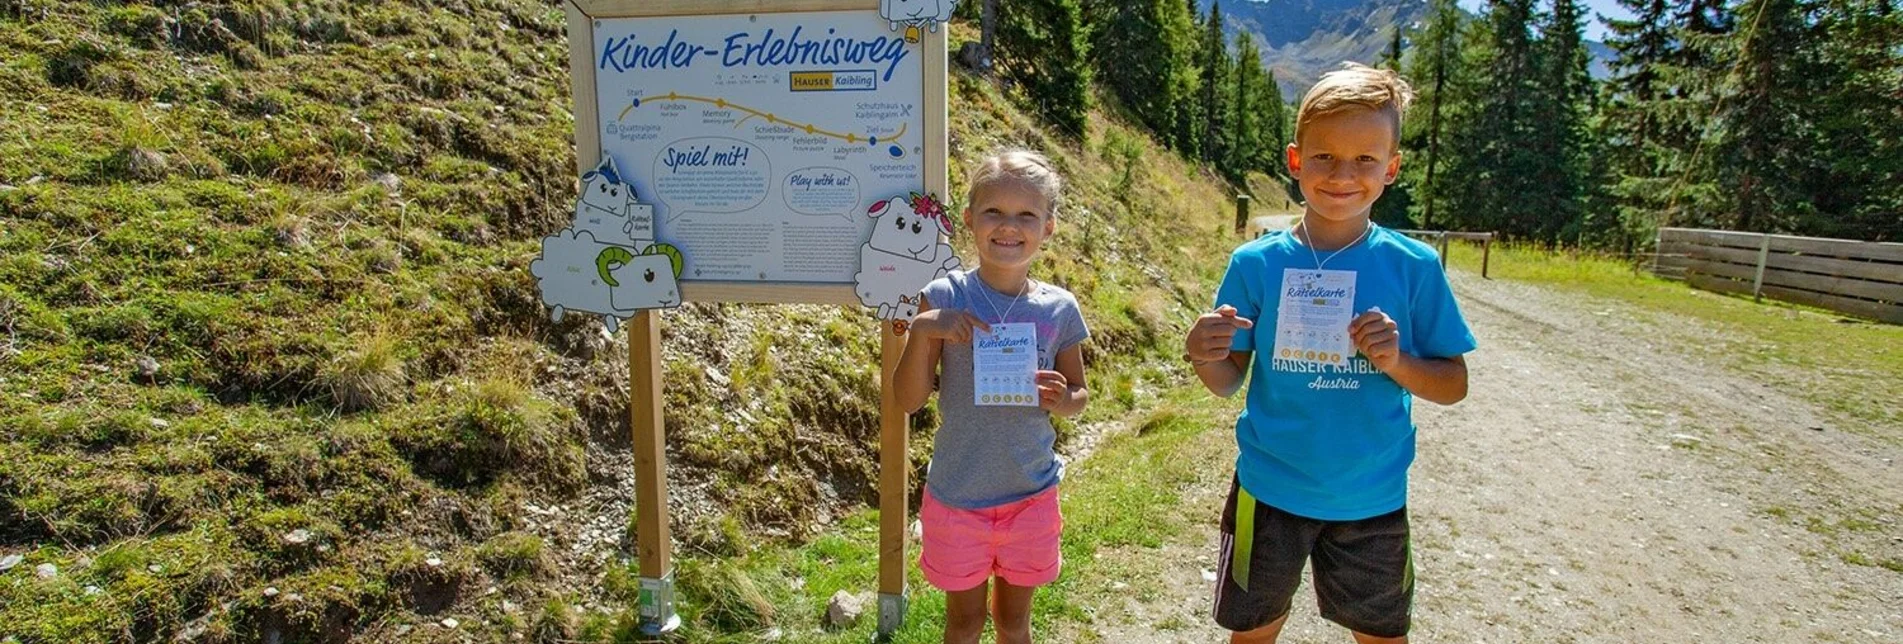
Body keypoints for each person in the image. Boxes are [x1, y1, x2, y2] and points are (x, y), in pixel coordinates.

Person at [1183, 62, 1477, 644]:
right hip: (1268, 491)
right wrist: (1202, 353)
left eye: (1366, 159)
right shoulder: (1255, 264)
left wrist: (1397, 362)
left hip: (1372, 497)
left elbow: (1454, 384)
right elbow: (1225, 380)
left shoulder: (1414, 267)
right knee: (1253, 631)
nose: (1344, 174)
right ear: (1296, 161)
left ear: (1390, 168)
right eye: (1325, 157)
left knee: (1382, 635)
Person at [894, 149, 1090, 644]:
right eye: (994, 212)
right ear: (969, 220)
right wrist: (923, 330)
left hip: (1032, 495)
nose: (1009, 226)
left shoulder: (1059, 308)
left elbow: (1080, 394)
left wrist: (1062, 399)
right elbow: (907, 399)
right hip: (959, 496)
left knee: (1013, 622)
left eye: (1027, 214)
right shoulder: (944, 297)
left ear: (1047, 227)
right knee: (963, 623)